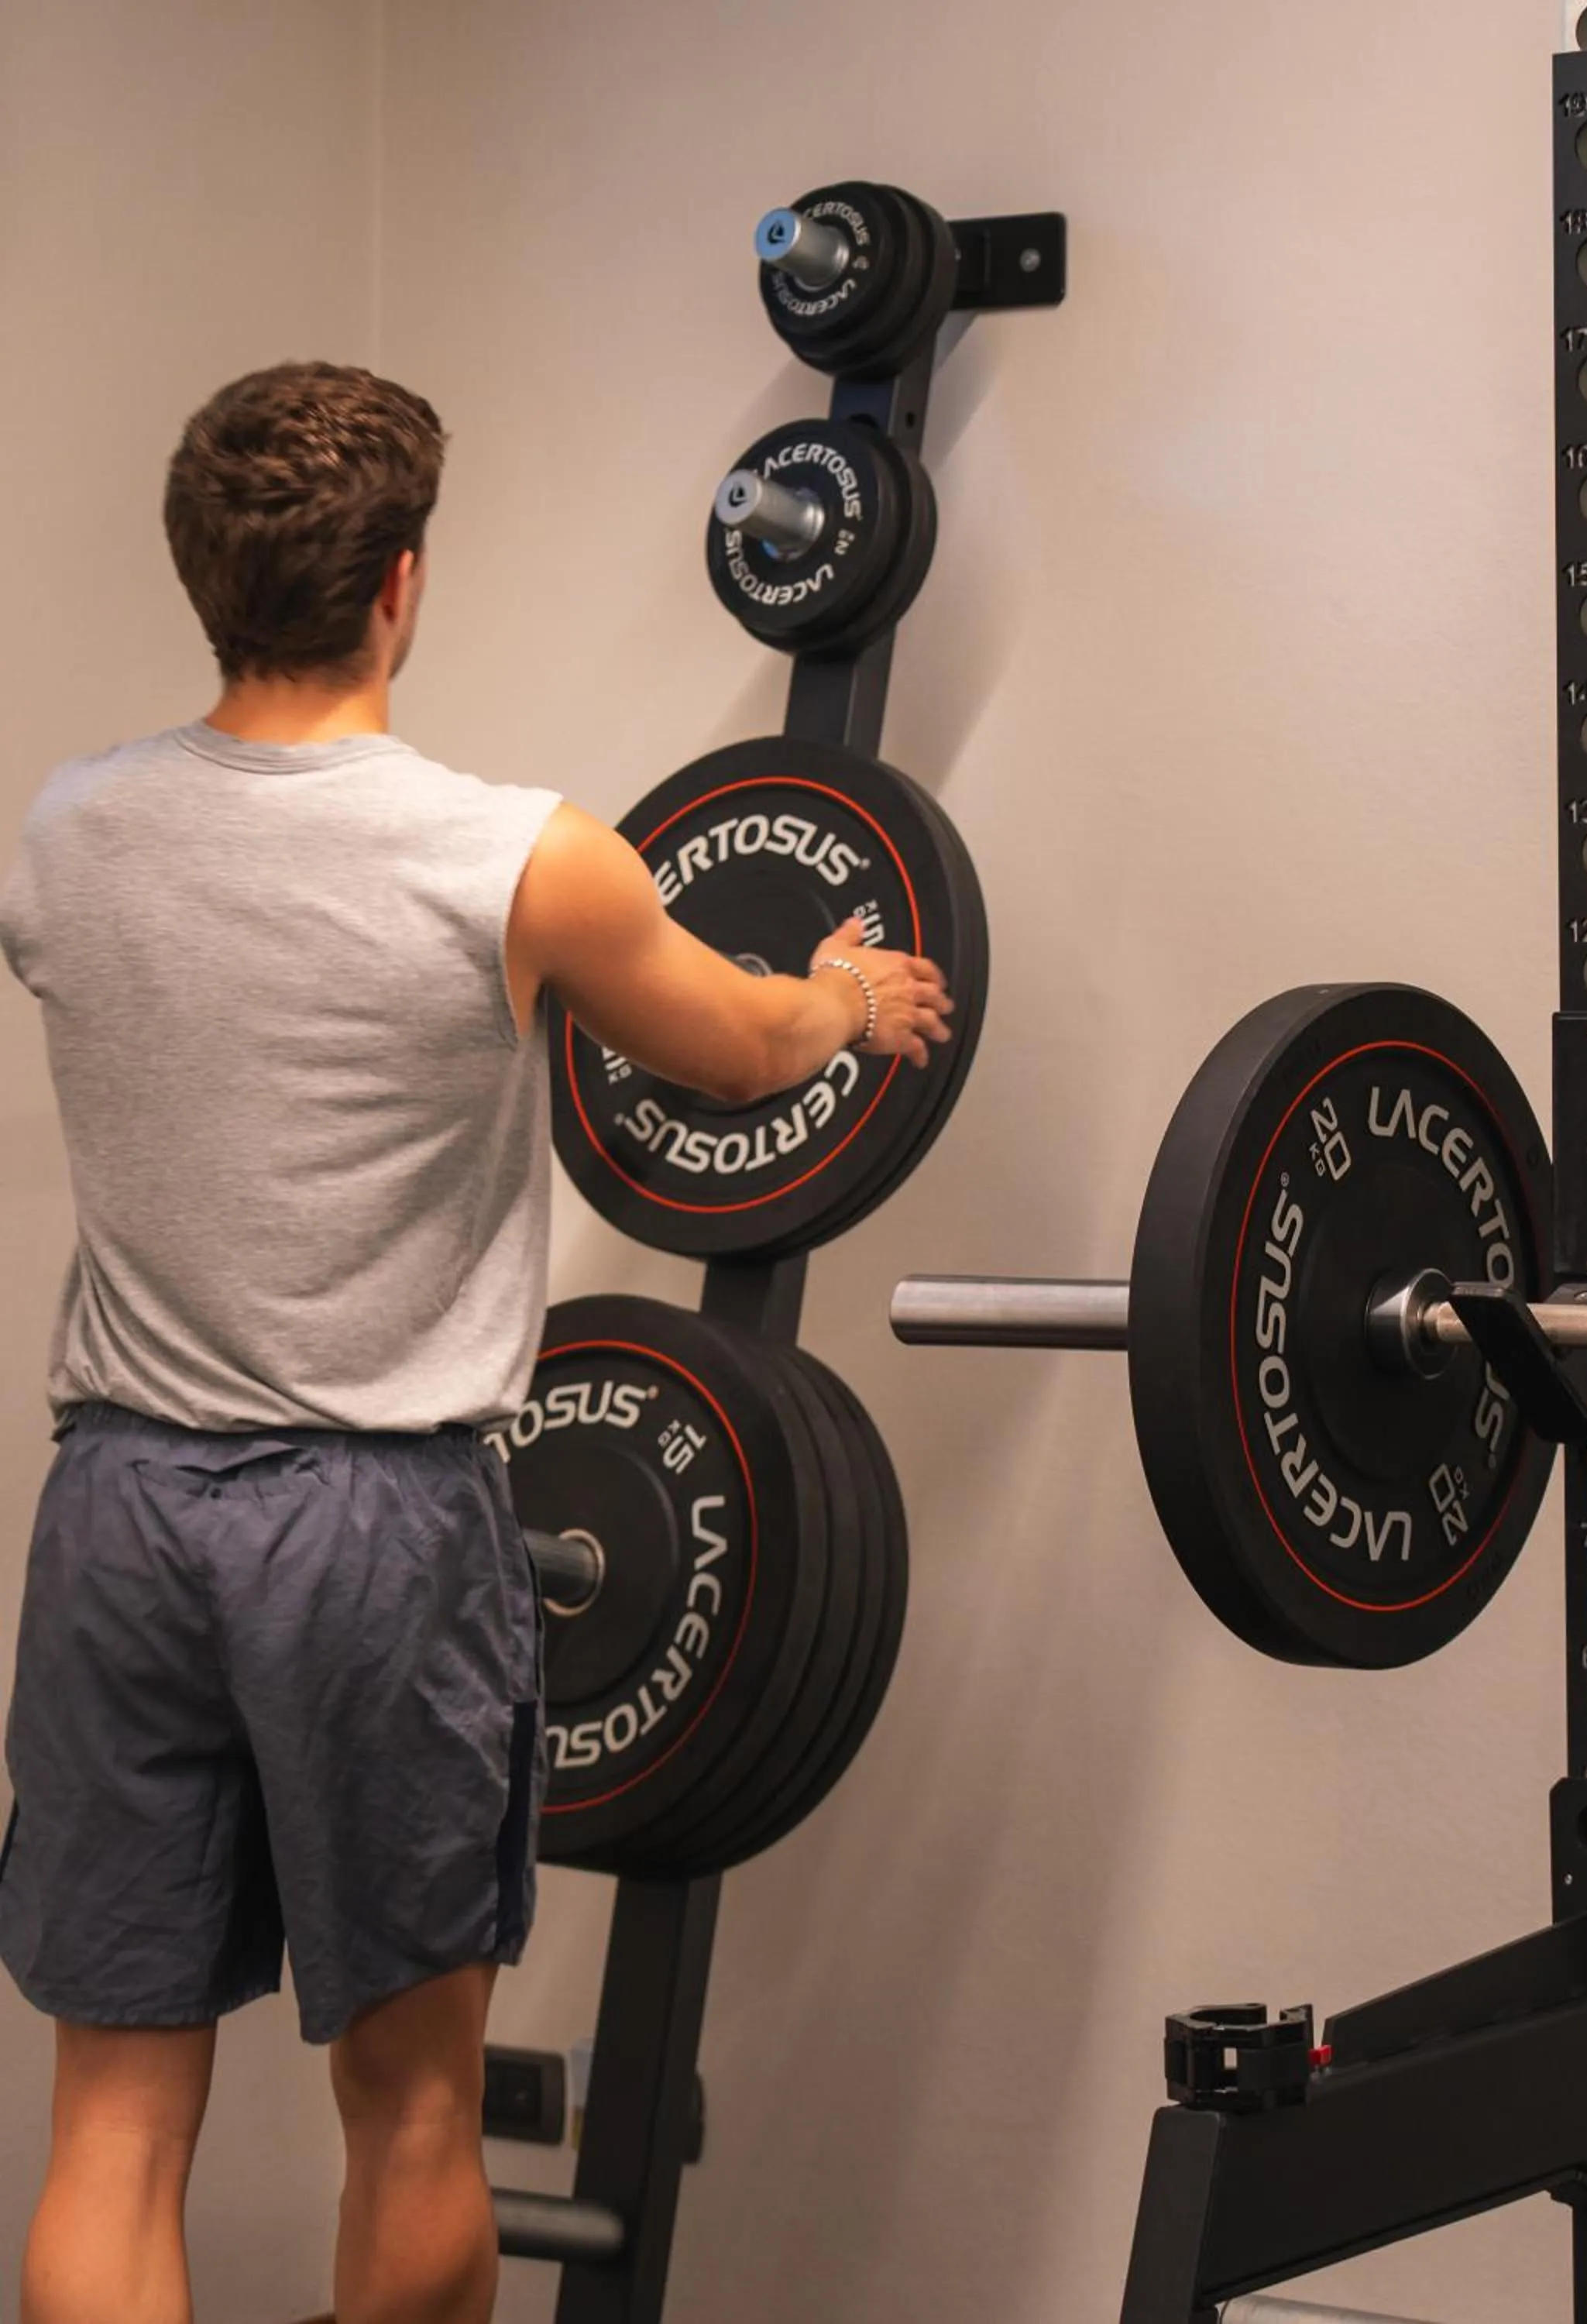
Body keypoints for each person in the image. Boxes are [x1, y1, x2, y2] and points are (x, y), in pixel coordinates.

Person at [0, 361, 953, 2324]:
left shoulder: (68, 833)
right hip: (369, 1532)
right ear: (399, 588)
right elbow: (742, 1040)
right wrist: (846, 995)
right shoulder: (517, 858)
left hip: (119, 1520)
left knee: (109, 2123)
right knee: (419, 2112)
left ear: (209, 582)